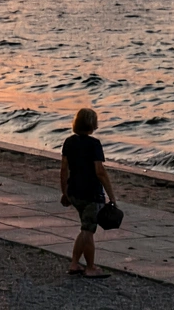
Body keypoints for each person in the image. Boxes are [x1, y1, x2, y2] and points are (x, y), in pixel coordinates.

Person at [60, 107, 116, 279]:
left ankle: (77, 264)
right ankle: (87, 267)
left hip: (74, 191)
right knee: (88, 230)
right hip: (91, 194)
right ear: (93, 124)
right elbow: (100, 171)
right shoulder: (94, 144)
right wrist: (111, 196)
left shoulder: (69, 142)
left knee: (86, 228)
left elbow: (64, 169)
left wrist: (65, 191)